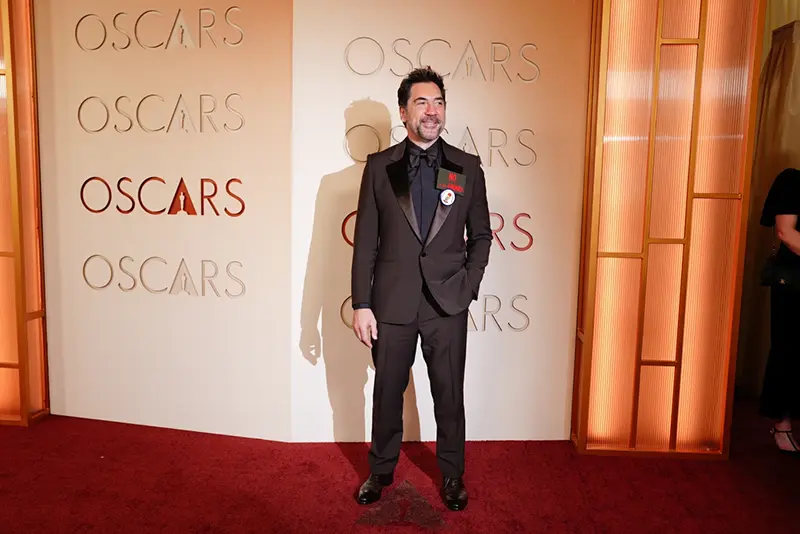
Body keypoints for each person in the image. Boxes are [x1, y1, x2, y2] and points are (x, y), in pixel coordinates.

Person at [349, 66, 492, 511]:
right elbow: (366, 240)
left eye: (438, 103)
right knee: (387, 392)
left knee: (449, 393)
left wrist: (467, 287)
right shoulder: (379, 167)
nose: (432, 112)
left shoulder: (466, 167)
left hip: (446, 304)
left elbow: (481, 235)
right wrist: (362, 303)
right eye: (422, 103)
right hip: (391, 303)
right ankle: (380, 469)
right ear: (403, 111)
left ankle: (452, 475)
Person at [759, 167, 800, 454]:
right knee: (790, 349)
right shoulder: (792, 180)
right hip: (795, 283)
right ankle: (782, 425)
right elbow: (786, 233)